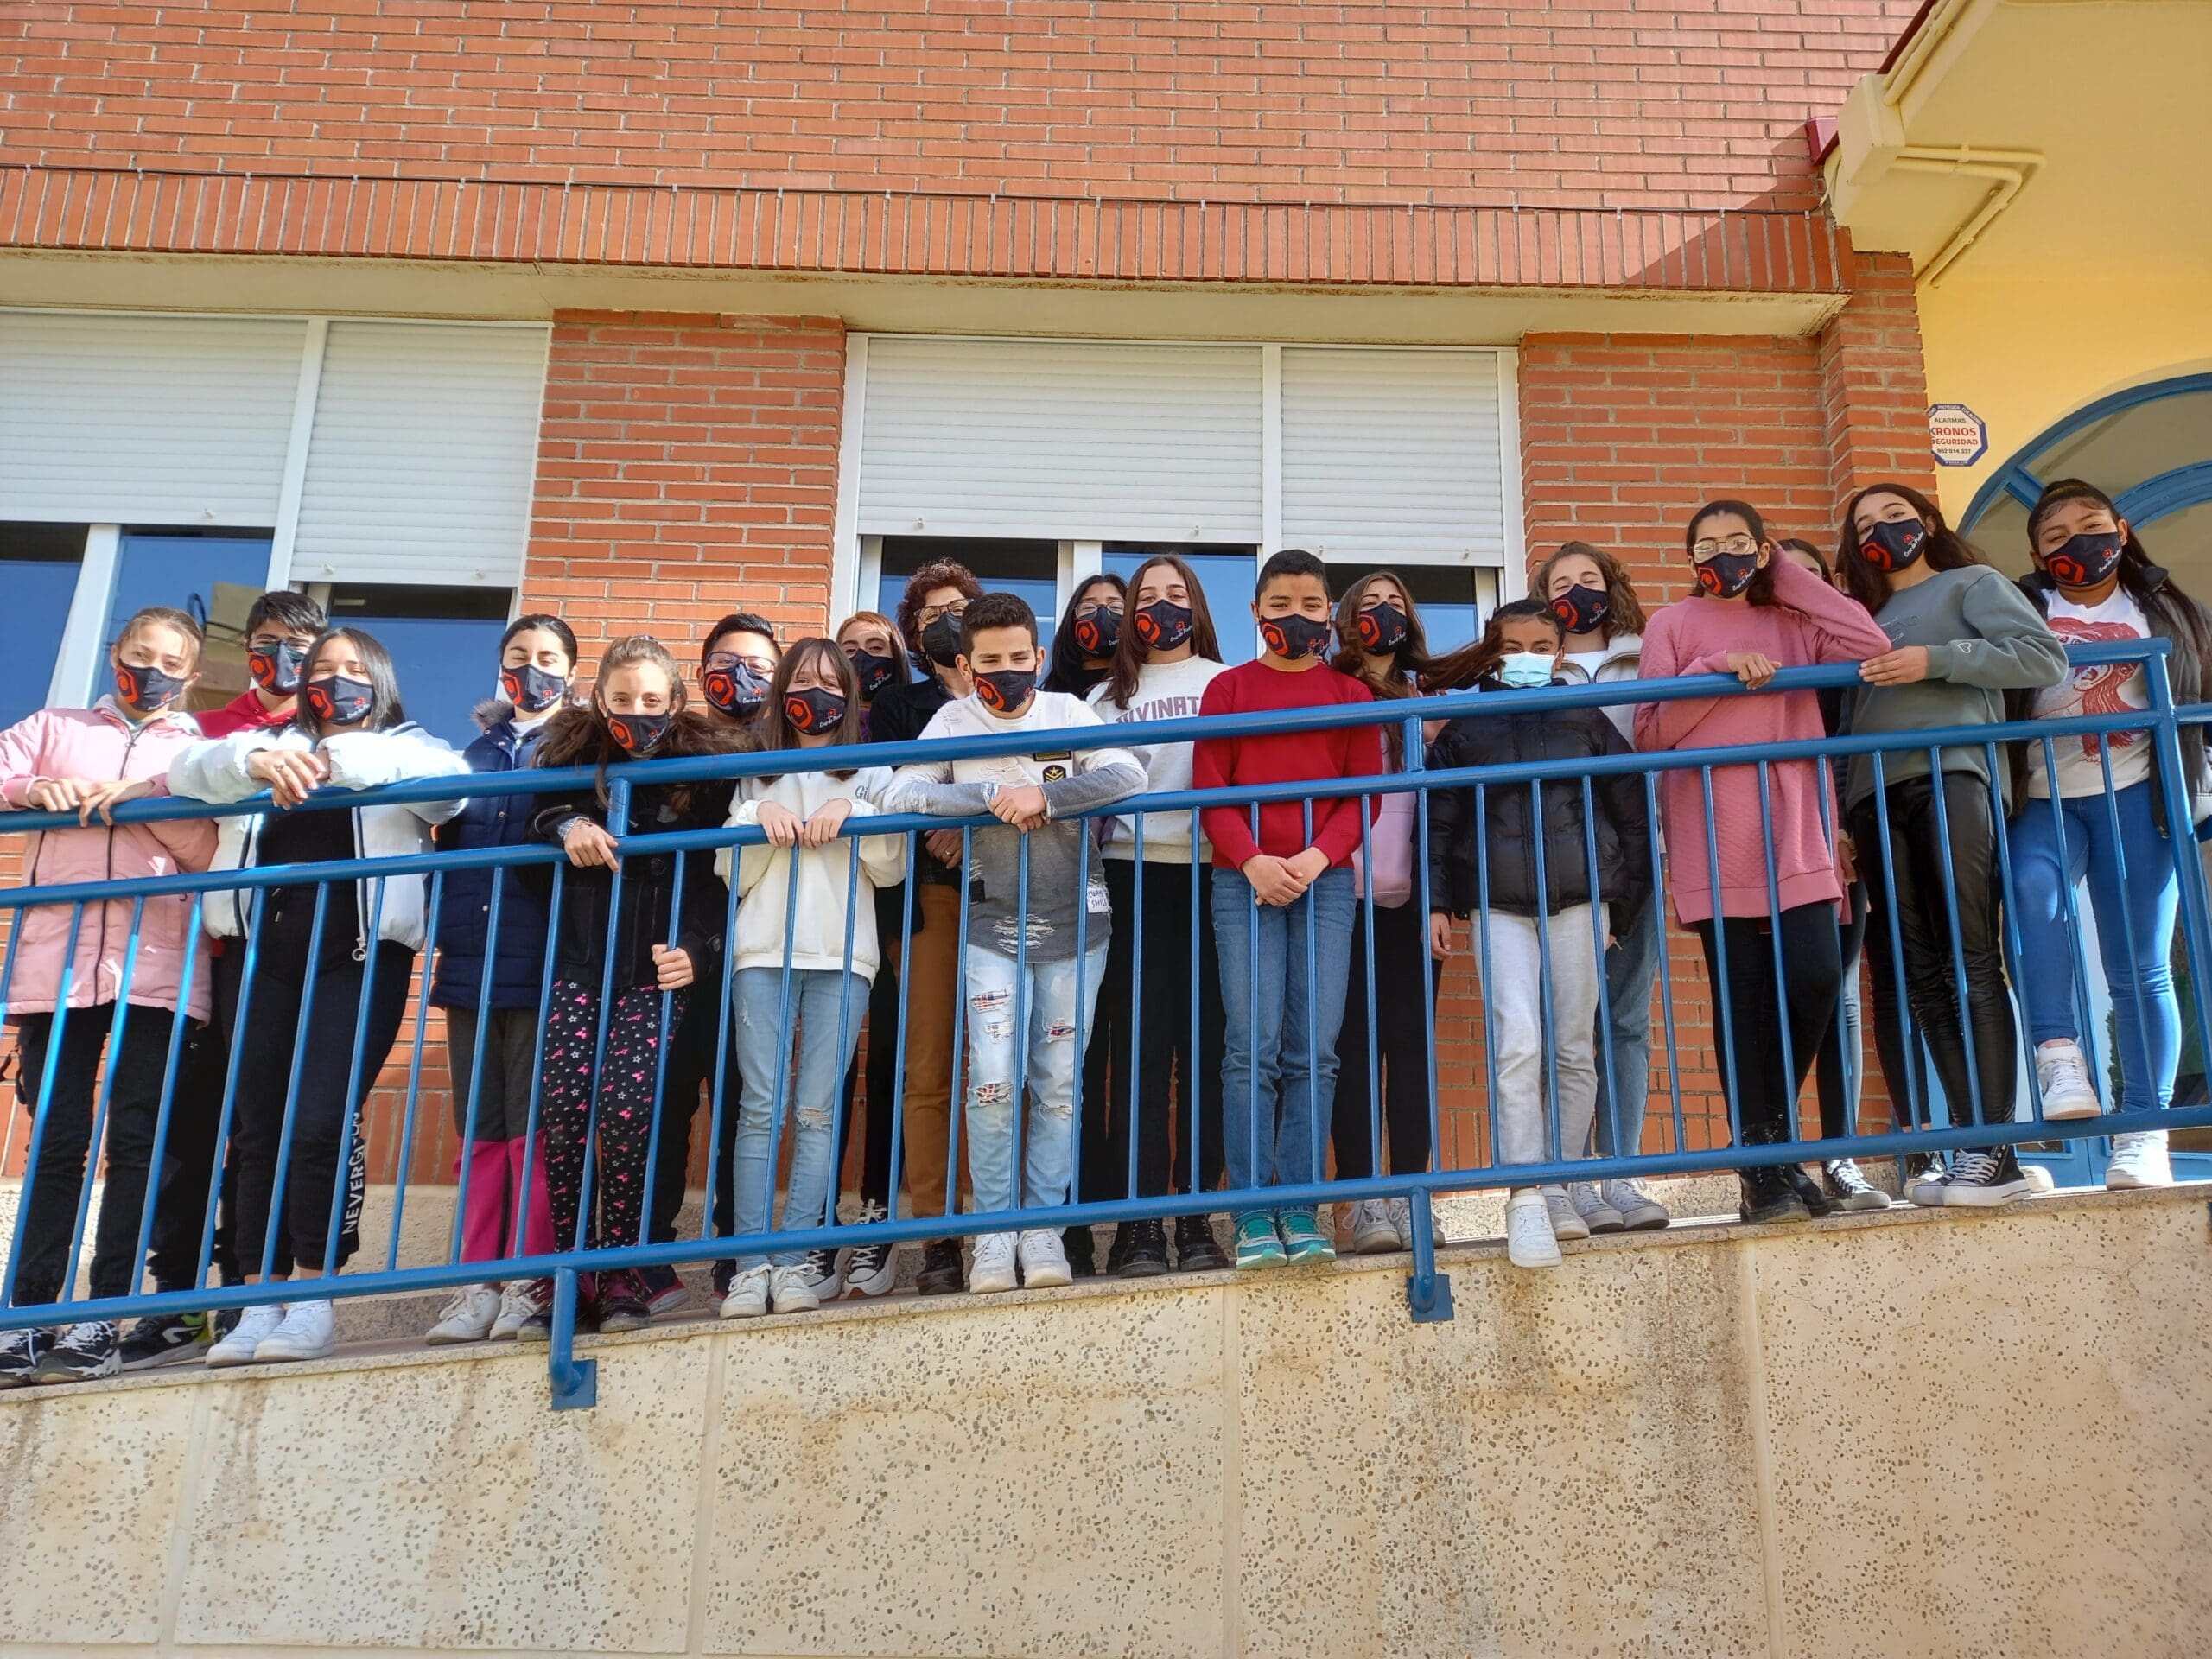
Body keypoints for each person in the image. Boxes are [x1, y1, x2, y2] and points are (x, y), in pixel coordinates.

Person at [169, 627, 469, 1366]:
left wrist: (338, 759)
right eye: (322, 670)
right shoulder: (267, 744)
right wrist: (259, 757)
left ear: (382, 682)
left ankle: (311, 1298)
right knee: (259, 1130)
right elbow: (188, 770)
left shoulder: (410, 746)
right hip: (261, 955)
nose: (335, 682)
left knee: (320, 1124)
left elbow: (452, 790)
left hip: (358, 958)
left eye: (352, 671)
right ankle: (254, 1300)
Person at [1634, 501, 1891, 1224]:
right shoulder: (1671, 626)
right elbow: (1651, 736)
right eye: (1707, 546)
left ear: (1762, 549)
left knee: (1815, 978)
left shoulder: (1796, 622)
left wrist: (1784, 574)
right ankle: (1766, 1171)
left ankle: (1765, 1144)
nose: (1723, 555)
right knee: (1742, 1001)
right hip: (1711, 829)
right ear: (1689, 561)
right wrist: (1714, 672)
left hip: (1795, 824)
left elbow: (1866, 642)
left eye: (1739, 543)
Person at [883, 592, 1144, 1294]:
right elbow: (903, 795)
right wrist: (996, 795)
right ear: (966, 665)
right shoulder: (952, 719)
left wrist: (1048, 798)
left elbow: (1129, 775)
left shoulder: (1067, 711)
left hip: (1077, 928)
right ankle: (993, 1238)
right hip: (989, 929)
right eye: (990, 660)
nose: (1007, 671)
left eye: (1019, 657)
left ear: (1037, 657)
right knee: (992, 1082)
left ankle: (1043, 1232)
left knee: (1057, 1085)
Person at [0, 607, 218, 1385]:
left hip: (156, 972)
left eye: (169, 661)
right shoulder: (53, 724)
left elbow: (211, 843)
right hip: (53, 972)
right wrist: (35, 787)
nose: (150, 670)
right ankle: (25, 1318)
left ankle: (99, 1317)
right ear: (113, 656)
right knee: (56, 1142)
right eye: (137, 655)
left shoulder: (197, 752)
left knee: (137, 1145)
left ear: (191, 676)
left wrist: (140, 799)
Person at [1835, 483, 2067, 1206]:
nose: (1882, 531)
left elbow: (2040, 657)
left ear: (1927, 523)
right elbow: (1846, 715)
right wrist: (1842, 811)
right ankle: (1974, 1146)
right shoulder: (1862, 616)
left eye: (1894, 517)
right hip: (1872, 794)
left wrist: (1935, 659)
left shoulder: (1973, 583)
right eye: (1866, 525)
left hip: (1953, 777)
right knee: (1918, 972)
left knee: (1970, 954)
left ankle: (1997, 1153)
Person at [122, 588, 331, 1369]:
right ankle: (173, 1296)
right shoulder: (206, 730)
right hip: (197, 961)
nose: (282, 660)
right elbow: (165, 782)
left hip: (276, 962)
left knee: (261, 1134)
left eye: (299, 649)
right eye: (268, 642)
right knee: (182, 1134)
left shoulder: (329, 733)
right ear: (246, 648)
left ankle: (244, 1292)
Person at [1424, 600, 1650, 1268]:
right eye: (1512, 645)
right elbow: (1437, 817)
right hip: (1498, 906)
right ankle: (1528, 1194)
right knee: (1518, 1043)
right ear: (1495, 650)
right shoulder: (1466, 725)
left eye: (1539, 645)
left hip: (1583, 903)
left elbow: (1631, 806)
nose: (1526, 655)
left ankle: (1565, 1183)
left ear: (1558, 653)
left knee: (1575, 1046)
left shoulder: (1586, 717)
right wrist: (1437, 903)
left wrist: (1628, 909)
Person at [520, 636, 734, 1338]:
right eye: (621, 700)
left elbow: (715, 881)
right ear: (598, 700)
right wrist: (566, 824)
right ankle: (568, 1272)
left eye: (650, 701)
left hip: (653, 972)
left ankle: (620, 1271)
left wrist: (699, 954)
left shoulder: (705, 775)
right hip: (582, 968)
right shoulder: (572, 761)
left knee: (627, 1113)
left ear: (675, 701)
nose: (636, 713)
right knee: (566, 1111)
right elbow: (532, 822)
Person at [2005, 479, 2212, 1189]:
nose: (2079, 545)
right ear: (2037, 555)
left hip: (2136, 796)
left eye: (2091, 526)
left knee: (2141, 967)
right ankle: (2059, 1056)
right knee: (2033, 893)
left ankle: (2142, 1132)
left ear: (2122, 531)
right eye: (2057, 538)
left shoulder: (2169, 610)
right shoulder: (2022, 609)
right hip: (2042, 793)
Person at [1192, 549, 1382, 1270]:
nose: (1296, 618)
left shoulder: (1349, 696)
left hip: (1323, 883)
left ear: (1328, 613)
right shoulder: (1228, 689)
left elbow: (1365, 790)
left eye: (1310, 606)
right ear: (1256, 611)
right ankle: (1250, 1212)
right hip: (1242, 882)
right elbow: (1210, 783)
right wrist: (1253, 861)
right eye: (1280, 606)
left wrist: (1312, 859)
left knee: (1316, 1051)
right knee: (1251, 1047)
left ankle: (1300, 1208)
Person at [716, 641, 905, 1316]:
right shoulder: (758, 771)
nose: (816, 693)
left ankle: (796, 1262)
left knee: (818, 1110)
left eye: (831, 682)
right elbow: (735, 878)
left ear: (850, 696)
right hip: (761, 953)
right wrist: (757, 822)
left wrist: (855, 814)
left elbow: (889, 870)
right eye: (803, 679)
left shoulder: (872, 770)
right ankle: (749, 1264)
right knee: (760, 1108)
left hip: (844, 958)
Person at [420, 615, 578, 1344]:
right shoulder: (471, 754)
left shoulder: (579, 745)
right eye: (519, 657)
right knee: (481, 1128)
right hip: (471, 963)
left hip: (546, 962)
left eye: (548, 658)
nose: (533, 670)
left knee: (534, 1127)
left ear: (571, 672)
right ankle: (475, 1280)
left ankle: (530, 1279)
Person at [1077, 555, 1231, 1277]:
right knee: (1138, 1051)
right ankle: (1139, 1227)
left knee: (1206, 1051)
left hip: (1214, 877)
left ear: (1197, 606)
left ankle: (1197, 1218)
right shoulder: (1106, 696)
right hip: (1132, 879)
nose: (1163, 606)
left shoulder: (1224, 684)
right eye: (1148, 596)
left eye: (1177, 594)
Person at [1536, 540, 1670, 1231]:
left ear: (1610, 586)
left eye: (1590, 579)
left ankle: (1620, 1170)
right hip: (1558, 858)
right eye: (1563, 582)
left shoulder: (1646, 651)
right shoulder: (1531, 664)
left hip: (1634, 850)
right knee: (1564, 1025)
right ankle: (1571, 1172)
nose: (1578, 591)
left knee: (1623, 1017)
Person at [645, 615, 776, 1314]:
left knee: (741, 1109)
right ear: (701, 673)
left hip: (756, 954)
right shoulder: (671, 750)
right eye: (727, 662)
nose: (741, 677)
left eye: (758, 665)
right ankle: (648, 1258)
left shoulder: (786, 751)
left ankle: (735, 1256)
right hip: (678, 957)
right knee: (665, 1105)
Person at [868, 560, 984, 1294]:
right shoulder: (898, 707)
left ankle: (1023, 1224)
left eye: (959, 609)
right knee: (931, 1067)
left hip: (1019, 895)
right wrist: (938, 823)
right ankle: (937, 1234)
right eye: (931, 615)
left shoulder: (1032, 699)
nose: (947, 621)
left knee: (1021, 1066)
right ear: (916, 635)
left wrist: (965, 821)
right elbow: (884, 787)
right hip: (932, 899)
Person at [1326, 571, 1444, 1255]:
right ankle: (1365, 1201)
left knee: (1411, 1045)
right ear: (1346, 618)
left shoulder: (1433, 696)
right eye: (1368, 605)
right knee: (1350, 1049)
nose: (1383, 615)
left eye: (1395, 604)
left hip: (1411, 901)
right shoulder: (1333, 690)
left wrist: (1440, 899)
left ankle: (1411, 1196)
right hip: (1338, 893)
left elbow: (1448, 810)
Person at [1776, 537, 1889, 1211]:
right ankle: (1780, 1151)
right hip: (1778, 844)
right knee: (1787, 1001)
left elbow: (1847, 735)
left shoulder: (1831, 642)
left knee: (1841, 996)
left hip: (1839, 834)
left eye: (1813, 578)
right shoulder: (1770, 643)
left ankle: (1839, 1157)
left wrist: (1843, 825)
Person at [818, 607, 912, 1299]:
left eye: (875, 648)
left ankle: (877, 1220)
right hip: (830, 921)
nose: (861, 659)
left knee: (888, 1067)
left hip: (901, 917)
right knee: (824, 1076)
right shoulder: (825, 735)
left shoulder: (913, 717)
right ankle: (816, 1223)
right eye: (848, 650)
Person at [1040, 575, 1127, 698]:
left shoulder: (1144, 687)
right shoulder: (1052, 699)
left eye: (1116, 607)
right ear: (1071, 622)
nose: (1102, 614)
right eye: (1088, 608)